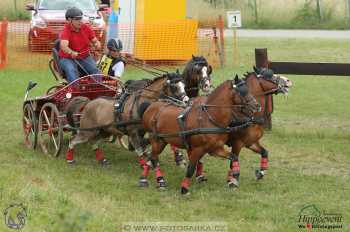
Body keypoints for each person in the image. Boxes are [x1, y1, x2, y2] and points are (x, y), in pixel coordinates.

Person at [58, 7, 101, 82]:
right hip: (67, 58)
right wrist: (71, 52)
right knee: (71, 70)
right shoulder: (66, 30)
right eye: (77, 19)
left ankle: (98, 89)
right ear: (69, 20)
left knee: (95, 70)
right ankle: (75, 91)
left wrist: (97, 44)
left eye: (81, 18)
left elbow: (95, 41)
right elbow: (63, 46)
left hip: (84, 57)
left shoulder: (85, 28)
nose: (80, 21)